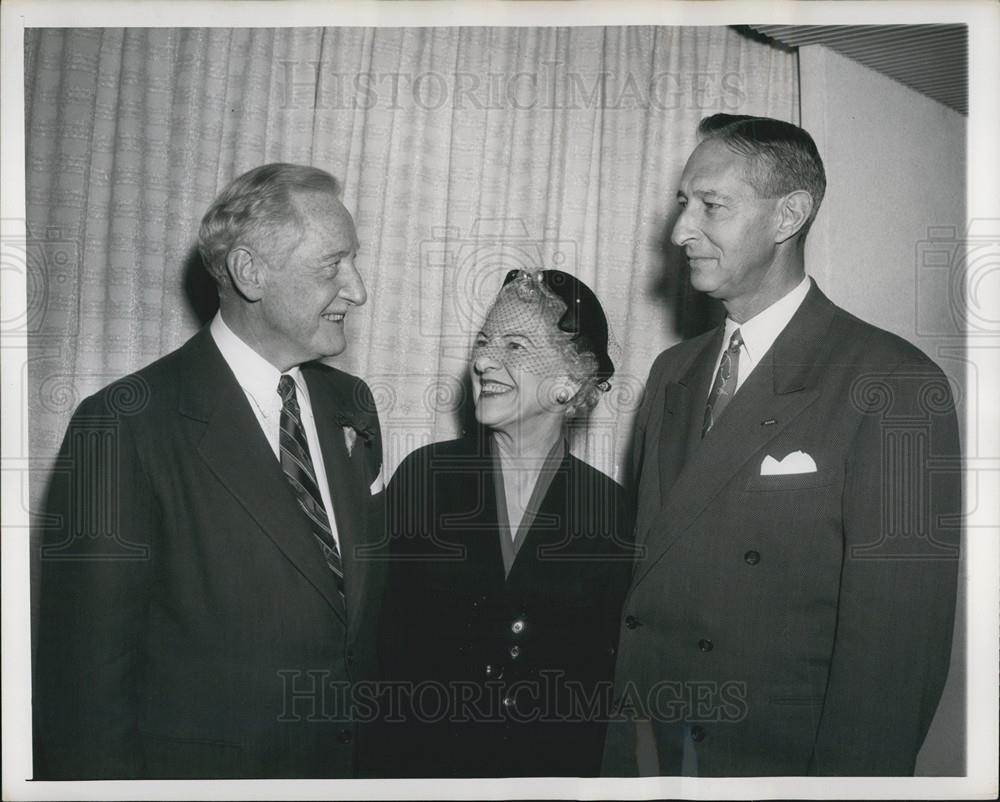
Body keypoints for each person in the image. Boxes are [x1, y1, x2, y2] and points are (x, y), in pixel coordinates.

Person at [603, 114, 962, 777]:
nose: (680, 229)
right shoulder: (672, 374)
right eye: (684, 203)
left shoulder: (897, 384)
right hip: (648, 753)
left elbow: (894, 661)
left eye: (711, 205)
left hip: (772, 764)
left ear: (787, 215)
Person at [33, 163, 386, 779]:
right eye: (334, 265)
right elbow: (83, 692)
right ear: (251, 273)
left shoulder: (351, 404)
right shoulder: (122, 425)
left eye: (353, 262)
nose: (356, 290)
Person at [376, 269, 635, 778]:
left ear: (570, 380)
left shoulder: (614, 512)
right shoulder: (424, 479)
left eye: (516, 346)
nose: (482, 360)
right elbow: (376, 643)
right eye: (483, 341)